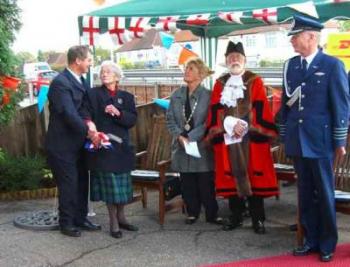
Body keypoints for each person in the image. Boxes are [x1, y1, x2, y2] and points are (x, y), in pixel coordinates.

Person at [280, 14, 350, 262]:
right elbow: (286, 104)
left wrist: (339, 140)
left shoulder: (332, 65)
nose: (292, 42)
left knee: (324, 191)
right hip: (298, 139)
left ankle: (327, 243)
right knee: (305, 192)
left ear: (311, 37)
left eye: (296, 37)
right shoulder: (291, 66)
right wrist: (283, 134)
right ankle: (310, 239)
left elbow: (341, 105)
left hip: (320, 141)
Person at [206, 41, 279, 234]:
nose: (234, 60)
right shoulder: (219, 83)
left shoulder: (255, 81)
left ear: (245, 60)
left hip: (251, 139)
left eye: (238, 58)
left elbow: (261, 108)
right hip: (228, 137)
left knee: (254, 178)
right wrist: (229, 125)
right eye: (231, 58)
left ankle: (258, 219)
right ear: (226, 61)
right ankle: (236, 216)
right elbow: (214, 109)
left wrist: (245, 125)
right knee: (231, 178)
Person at [46, 45, 101, 237]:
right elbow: (69, 114)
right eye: (88, 59)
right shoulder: (60, 83)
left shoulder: (82, 80)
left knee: (81, 182)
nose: (90, 62)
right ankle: (67, 223)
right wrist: (89, 132)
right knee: (69, 184)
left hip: (78, 144)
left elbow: (84, 108)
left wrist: (90, 122)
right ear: (77, 61)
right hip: (62, 145)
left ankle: (81, 218)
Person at [80, 61, 138, 239]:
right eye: (102, 72)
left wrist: (118, 113)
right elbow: (85, 113)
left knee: (122, 188)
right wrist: (91, 128)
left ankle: (122, 217)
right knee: (110, 187)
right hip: (103, 147)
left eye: (108, 72)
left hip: (122, 147)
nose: (104, 74)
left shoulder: (127, 97)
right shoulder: (93, 94)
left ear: (117, 76)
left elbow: (132, 120)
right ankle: (113, 221)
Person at [166, 57, 222, 225]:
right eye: (186, 68)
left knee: (205, 182)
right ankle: (192, 212)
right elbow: (169, 119)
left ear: (201, 74)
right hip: (181, 145)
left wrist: (190, 137)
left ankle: (212, 213)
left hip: (201, 146)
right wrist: (180, 136)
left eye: (191, 68)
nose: (186, 71)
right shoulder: (177, 94)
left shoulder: (209, 96)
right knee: (187, 182)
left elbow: (208, 122)